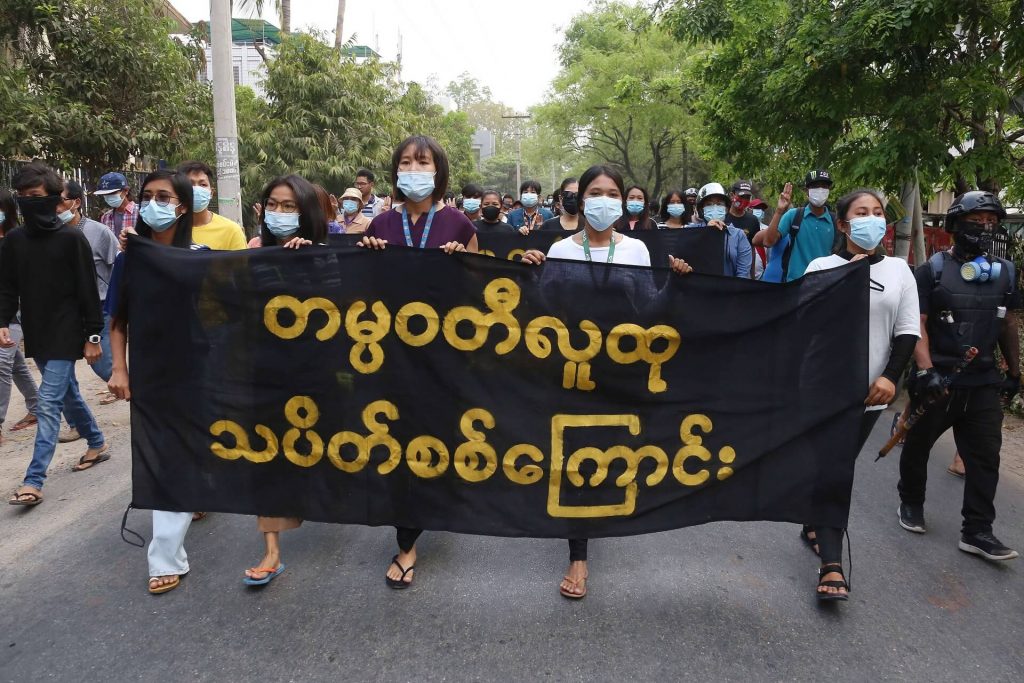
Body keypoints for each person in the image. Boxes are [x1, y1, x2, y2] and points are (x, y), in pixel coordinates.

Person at [520, 164, 693, 600]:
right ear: (581, 200)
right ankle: (578, 556)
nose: (604, 200)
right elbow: (544, 311)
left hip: (618, 370)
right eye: (595, 192)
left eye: (613, 193)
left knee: (607, 451)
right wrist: (529, 275)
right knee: (572, 454)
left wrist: (676, 285)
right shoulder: (560, 249)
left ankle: (598, 515)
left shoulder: (636, 250)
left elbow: (648, 310)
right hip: (571, 369)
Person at [359, 135, 478, 589]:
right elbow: (360, 290)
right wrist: (366, 258)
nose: (413, 170)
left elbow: (479, 295)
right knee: (396, 441)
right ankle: (406, 543)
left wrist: (462, 265)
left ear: (438, 171)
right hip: (389, 353)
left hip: (443, 357)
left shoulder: (459, 224)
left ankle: (433, 501)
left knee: (435, 437)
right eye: (406, 162)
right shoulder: (381, 224)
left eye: (423, 162)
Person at [803, 188, 920, 600]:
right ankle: (832, 563)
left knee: (837, 464)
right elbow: (806, 324)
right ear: (843, 224)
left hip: (873, 392)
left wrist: (890, 377)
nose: (872, 219)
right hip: (825, 388)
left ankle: (814, 520)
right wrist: (843, 281)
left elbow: (907, 331)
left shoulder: (900, 271)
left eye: (877, 213)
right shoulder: (821, 267)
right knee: (835, 468)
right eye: (861, 212)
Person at [897, 191, 1021, 561]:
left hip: (982, 382)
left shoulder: (1006, 273)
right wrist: (926, 371)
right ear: (955, 225)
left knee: (985, 457)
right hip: (939, 381)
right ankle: (911, 502)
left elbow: (1008, 324)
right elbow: (917, 324)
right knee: (918, 445)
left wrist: (1014, 372)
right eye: (976, 221)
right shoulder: (931, 271)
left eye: (991, 222)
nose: (985, 228)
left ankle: (978, 530)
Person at [105, 169, 208, 593]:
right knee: (166, 455)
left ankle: (194, 493)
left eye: (164, 197)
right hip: (152, 373)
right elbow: (118, 320)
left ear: (182, 206)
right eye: (148, 196)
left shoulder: (201, 257)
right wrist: (119, 368)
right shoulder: (130, 259)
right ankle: (165, 557)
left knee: (192, 448)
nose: (153, 204)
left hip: (200, 371)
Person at [239, 174, 329, 588]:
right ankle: (272, 551)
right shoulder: (253, 251)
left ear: (305, 212)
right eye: (273, 205)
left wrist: (307, 263)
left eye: (289, 206)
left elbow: (343, 308)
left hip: (317, 373)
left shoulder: (326, 255)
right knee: (268, 454)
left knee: (319, 450)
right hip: (265, 371)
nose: (278, 213)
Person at [1, 162, 107, 507]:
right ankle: (96, 441)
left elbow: (88, 291)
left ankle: (33, 480)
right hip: (38, 331)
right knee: (67, 393)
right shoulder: (14, 241)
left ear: (50, 197)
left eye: (33, 195)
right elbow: (7, 287)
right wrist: (3, 321)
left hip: (67, 330)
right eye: (21, 195)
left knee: (48, 403)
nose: (26, 201)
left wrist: (93, 336)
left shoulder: (71, 238)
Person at [58, 180, 119, 406]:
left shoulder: (99, 232)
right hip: (66, 312)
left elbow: (118, 268)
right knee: (60, 374)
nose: (54, 207)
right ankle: (80, 422)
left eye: (60, 200)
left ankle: (145, 398)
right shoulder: (50, 234)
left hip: (100, 308)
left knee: (103, 365)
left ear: (76, 202)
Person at [0, 190, 39, 443]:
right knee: (14, 363)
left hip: (13, 312)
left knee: (2, 362)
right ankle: (37, 406)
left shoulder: (16, 240)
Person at [759, 170, 838, 282]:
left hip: (825, 284)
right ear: (807, 190)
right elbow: (768, 242)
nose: (820, 190)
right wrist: (779, 211)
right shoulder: (794, 215)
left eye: (824, 186)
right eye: (815, 186)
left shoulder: (835, 221)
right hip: (795, 285)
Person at [175, 161, 247, 251]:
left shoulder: (231, 231)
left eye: (203, 185)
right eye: (190, 184)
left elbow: (241, 260)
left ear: (211, 193)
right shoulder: (170, 230)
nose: (197, 189)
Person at [686, 183, 752, 279]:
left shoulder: (738, 236)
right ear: (702, 209)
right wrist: (706, 232)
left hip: (729, 287)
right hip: (699, 286)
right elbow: (687, 258)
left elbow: (743, 274)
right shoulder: (691, 231)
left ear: (726, 209)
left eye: (719, 204)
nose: (715, 207)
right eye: (709, 204)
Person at [94, 172, 137, 239]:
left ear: (126, 190)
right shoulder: (105, 217)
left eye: (112, 193)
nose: (108, 197)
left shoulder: (140, 213)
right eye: (105, 194)